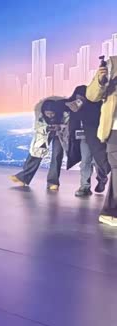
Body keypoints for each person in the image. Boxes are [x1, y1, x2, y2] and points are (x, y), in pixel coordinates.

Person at [10, 98, 70, 190]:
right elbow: (37, 127)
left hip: (60, 135)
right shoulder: (40, 114)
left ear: (56, 111)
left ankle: (53, 182)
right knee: (37, 152)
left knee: (57, 156)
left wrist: (60, 127)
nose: (50, 116)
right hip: (44, 134)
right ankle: (23, 177)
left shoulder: (64, 114)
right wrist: (47, 128)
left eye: (52, 113)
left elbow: (69, 127)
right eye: (47, 113)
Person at [87, 56, 117, 227]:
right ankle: (110, 211)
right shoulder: (112, 64)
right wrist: (100, 80)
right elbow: (91, 95)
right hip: (115, 128)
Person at [67, 85, 109, 197]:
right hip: (83, 136)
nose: (79, 100)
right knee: (85, 160)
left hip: (97, 137)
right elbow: (62, 105)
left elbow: (98, 119)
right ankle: (84, 186)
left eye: (82, 97)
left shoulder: (96, 105)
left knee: (98, 161)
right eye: (77, 97)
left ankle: (102, 178)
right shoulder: (74, 107)